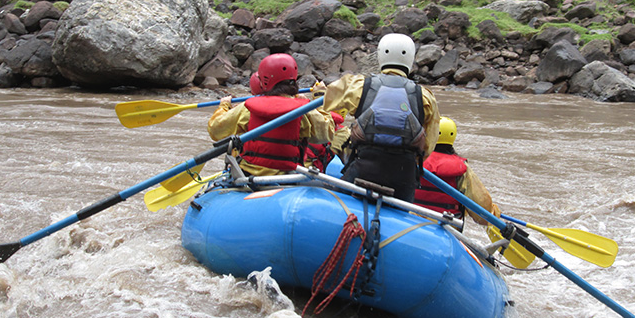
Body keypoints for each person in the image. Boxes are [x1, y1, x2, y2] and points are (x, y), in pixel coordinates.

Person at [316, 33, 440, 202]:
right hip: (403, 179)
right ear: (410, 58)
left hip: (363, 169)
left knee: (336, 199)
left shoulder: (359, 86)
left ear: (381, 55)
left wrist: (320, 91)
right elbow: (428, 147)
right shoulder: (425, 97)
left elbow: (327, 102)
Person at [207, 53, 334, 176]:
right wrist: (320, 99)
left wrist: (224, 106)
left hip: (247, 176)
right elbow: (327, 134)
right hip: (288, 177)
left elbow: (215, 131)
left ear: (264, 81)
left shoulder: (247, 108)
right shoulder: (304, 110)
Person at [414, 116, 501, 224]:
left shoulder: (414, 160)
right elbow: (483, 215)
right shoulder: (462, 168)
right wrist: (494, 213)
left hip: (409, 221)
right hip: (445, 228)